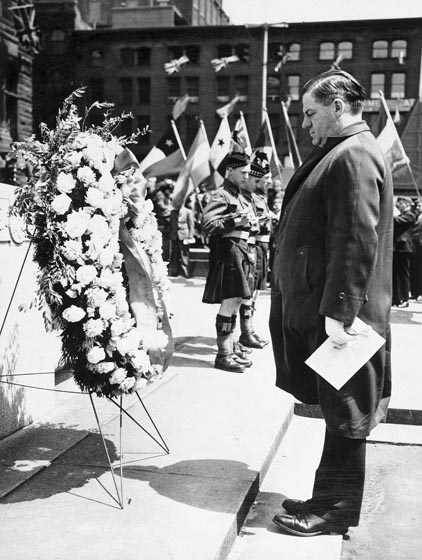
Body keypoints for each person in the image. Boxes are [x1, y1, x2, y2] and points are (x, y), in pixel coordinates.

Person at [270, 70, 393, 537]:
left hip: (346, 317)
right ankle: (326, 498)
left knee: (347, 412)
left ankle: (335, 510)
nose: (306, 123)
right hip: (337, 311)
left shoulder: (354, 154)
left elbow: (355, 239)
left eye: (311, 113)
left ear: (338, 106)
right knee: (338, 406)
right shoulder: (343, 152)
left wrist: (341, 312)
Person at [202, 151, 257, 373]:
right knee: (229, 301)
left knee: (236, 301)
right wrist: (235, 220)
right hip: (229, 250)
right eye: (242, 172)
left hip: (241, 250)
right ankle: (224, 355)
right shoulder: (221, 195)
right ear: (230, 170)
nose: (246, 176)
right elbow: (208, 224)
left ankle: (231, 349)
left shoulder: (239, 195)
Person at [392, 196, 416, 307]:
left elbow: (396, 220)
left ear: (406, 204)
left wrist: (391, 212)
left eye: (400, 204)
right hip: (398, 248)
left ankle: (404, 298)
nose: (398, 206)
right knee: (397, 274)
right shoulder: (403, 215)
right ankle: (397, 298)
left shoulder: (410, 215)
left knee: (403, 275)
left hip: (405, 247)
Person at [168, 197, 195, 278]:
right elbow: (171, 224)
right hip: (175, 235)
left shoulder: (188, 212)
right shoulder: (173, 212)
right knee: (174, 254)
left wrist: (190, 236)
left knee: (184, 254)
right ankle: (173, 271)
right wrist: (171, 234)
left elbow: (191, 225)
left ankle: (185, 271)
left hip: (184, 235)